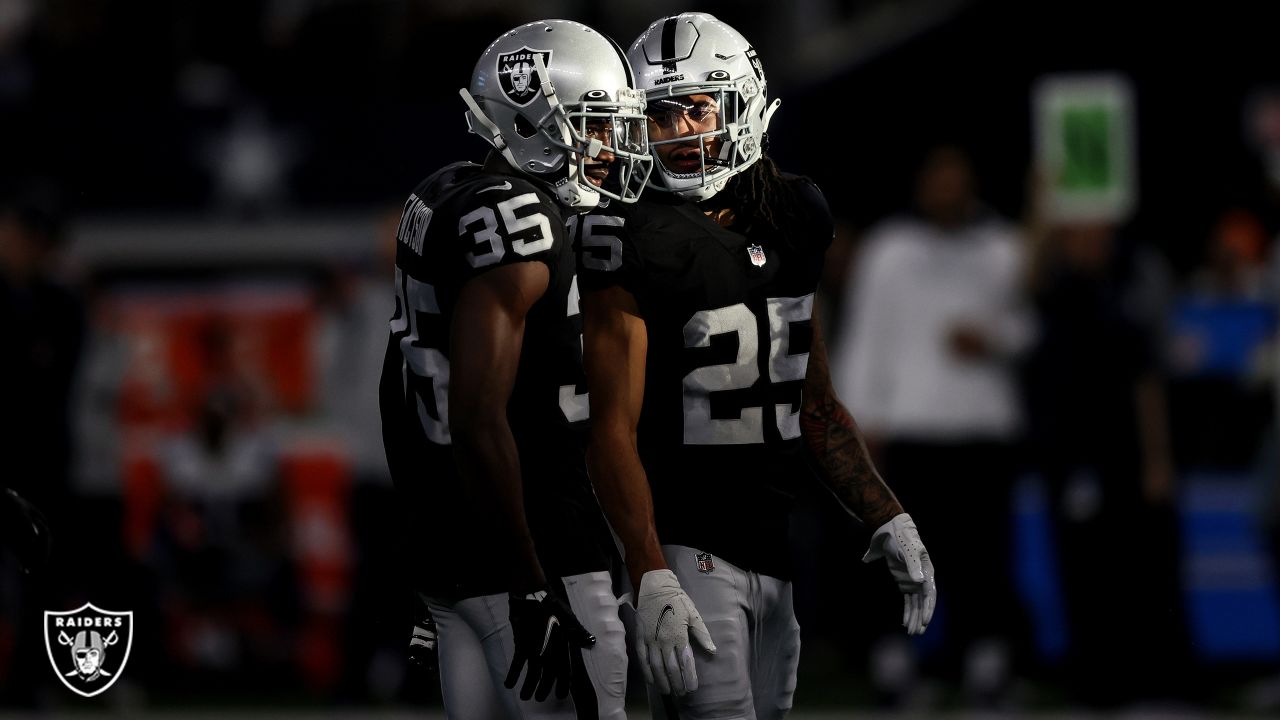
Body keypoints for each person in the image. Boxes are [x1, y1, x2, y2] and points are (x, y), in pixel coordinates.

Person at [574, 13, 936, 718]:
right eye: (660, 113)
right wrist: (649, 571)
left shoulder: (794, 211)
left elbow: (813, 397)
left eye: (697, 108)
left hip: (772, 544)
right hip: (684, 542)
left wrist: (887, 516)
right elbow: (608, 432)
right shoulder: (628, 234)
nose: (679, 131)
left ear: (743, 102)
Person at [377, 19, 652, 718]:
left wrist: (425, 548)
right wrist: (531, 582)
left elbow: (402, 390)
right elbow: (473, 418)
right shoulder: (519, 222)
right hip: (537, 545)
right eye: (593, 124)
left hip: (458, 547)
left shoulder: (445, 193)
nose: (609, 147)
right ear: (533, 123)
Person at [831, 144, 1033, 705]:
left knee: (984, 558)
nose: (948, 189)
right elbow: (866, 339)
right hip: (911, 428)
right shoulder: (890, 250)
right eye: (938, 178)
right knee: (903, 555)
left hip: (985, 426)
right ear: (922, 186)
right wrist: (861, 421)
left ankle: (986, 667)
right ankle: (894, 666)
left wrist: (994, 342)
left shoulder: (1004, 248)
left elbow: (1028, 326)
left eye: (958, 179)